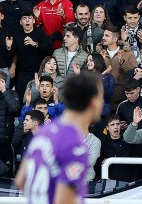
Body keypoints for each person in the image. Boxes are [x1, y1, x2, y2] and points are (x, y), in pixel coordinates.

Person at [17, 71, 104, 204]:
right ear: (93, 102)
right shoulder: (75, 144)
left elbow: (21, 180)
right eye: (101, 97)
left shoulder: (45, 131)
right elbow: (64, 200)